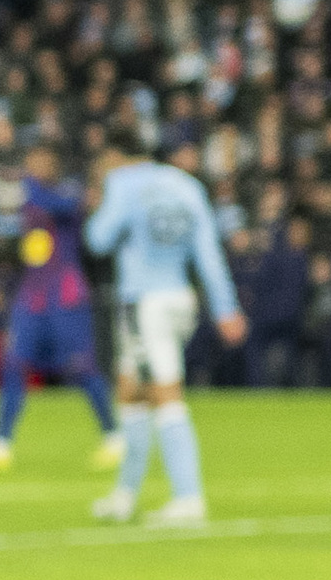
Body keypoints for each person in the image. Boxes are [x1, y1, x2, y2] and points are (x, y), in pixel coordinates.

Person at [86, 133, 245, 525]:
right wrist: (226, 307)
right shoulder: (189, 187)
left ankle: (189, 497)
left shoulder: (124, 184)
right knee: (132, 390)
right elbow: (208, 253)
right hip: (180, 298)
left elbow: (98, 239)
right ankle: (124, 496)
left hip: (145, 301)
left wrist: (99, 206)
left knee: (164, 392)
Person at [0, 142, 122, 470]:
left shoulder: (66, 193)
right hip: (32, 296)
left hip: (66, 295)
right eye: (31, 159)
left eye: (41, 160)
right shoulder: (29, 195)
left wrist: (23, 185)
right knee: (14, 363)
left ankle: (113, 437)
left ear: (54, 163)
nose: (34, 165)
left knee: (82, 368)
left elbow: (62, 205)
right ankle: (0, 444)